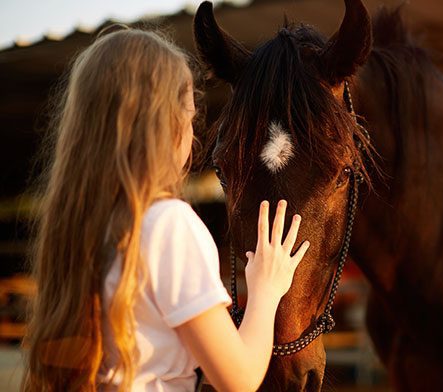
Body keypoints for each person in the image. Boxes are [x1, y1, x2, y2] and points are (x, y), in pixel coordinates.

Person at [22, 27, 309, 392]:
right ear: (164, 124)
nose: (193, 136)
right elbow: (239, 379)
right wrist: (266, 290)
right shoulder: (167, 225)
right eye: (189, 118)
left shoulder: (78, 227)